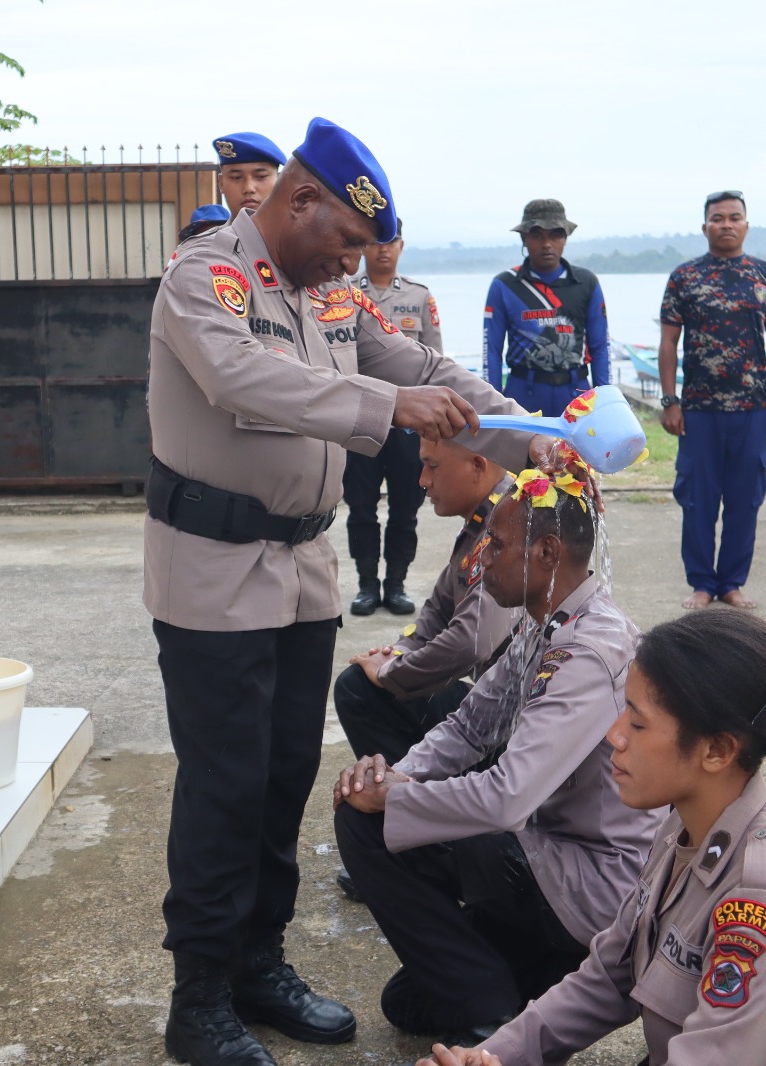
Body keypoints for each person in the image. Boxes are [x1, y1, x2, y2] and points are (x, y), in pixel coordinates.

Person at [146, 116, 556, 1066]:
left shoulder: (332, 297)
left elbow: (420, 365)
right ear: (299, 203)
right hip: (211, 570)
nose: (350, 265)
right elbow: (246, 380)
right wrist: (389, 410)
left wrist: (525, 428)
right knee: (223, 784)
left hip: (302, 573)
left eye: (364, 252)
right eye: (343, 241)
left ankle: (260, 963)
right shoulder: (204, 279)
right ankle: (199, 993)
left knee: (286, 773)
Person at [417, 610, 766, 1066]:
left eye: (637, 723)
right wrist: (492, 1056)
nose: (614, 737)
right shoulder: (685, 823)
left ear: (717, 750)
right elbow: (610, 975)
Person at [333, 462, 663, 1049]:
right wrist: (397, 774)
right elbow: (469, 724)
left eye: (500, 544)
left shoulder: (588, 650)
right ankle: (520, 990)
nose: (481, 557)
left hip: (596, 885)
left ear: (548, 554)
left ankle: (489, 1020)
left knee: (369, 821)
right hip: (553, 852)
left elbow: (509, 798)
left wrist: (396, 798)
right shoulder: (547, 625)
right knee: (407, 1002)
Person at [332, 436, 516, 900]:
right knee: (361, 685)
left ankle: (422, 844)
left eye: (432, 466)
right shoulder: (484, 516)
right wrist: (394, 653)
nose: (422, 481)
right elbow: (436, 612)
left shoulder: (512, 520)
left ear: (477, 464)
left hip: (521, 729)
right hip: (494, 709)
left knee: (367, 689)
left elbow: (470, 639)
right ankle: (405, 827)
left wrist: (393, 675)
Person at [657, 190, 766, 612]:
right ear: (705, 227)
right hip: (698, 410)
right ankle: (701, 583)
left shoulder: (765, 276)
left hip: (751, 409)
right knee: (697, 497)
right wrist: (669, 400)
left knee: (744, 498)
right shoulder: (685, 277)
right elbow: (668, 341)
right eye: (718, 218)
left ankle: (732, 582)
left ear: (747, 225)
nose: (727, 225)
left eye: (735, 217)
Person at [345, 218, 446, 615]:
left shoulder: (420, 298)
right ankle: (367, 585)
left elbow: (436, 362)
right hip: (361, 418)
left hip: (408, 428)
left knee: (406, 507)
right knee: (361, 506)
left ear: (401, 246)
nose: (383, 249)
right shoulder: (346, 295)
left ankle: (397, 584)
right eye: (376, 242)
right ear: (365, 246)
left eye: (391, 241)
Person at [484, 199, 612, 419]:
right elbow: (491, 351)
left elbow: (601, 348)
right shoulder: (504, 285)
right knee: (522, 454)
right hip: (524, 393)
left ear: (565, 237)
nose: (546, 244)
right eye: (537, 235)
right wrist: (492, 407)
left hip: (576, 394)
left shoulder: (586, 283)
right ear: (524, 238)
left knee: (577, 455)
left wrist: (608, 403)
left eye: (555, 234)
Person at [211, 131, 286, 215]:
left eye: (261, 176)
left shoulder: (298, 228)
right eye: (236, 177)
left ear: (279, 181)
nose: (248, 188)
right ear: (221, 183)